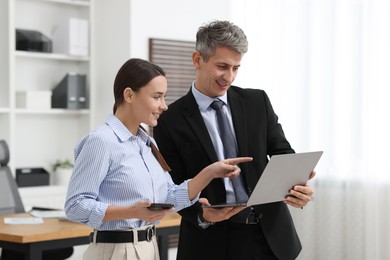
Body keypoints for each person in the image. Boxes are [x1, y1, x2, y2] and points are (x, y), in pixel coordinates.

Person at [153, 20, 316, 260]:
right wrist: (201, 214)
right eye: (222, 66)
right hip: (210, 243)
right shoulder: (169, 119)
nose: (229, 77)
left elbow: (282, 151)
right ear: (197, 59)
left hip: (270, 239)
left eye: (236, 68)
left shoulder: (257, 102)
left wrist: (297, 186)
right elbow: (172, 186)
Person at [64, 58, 252, 260]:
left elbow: (168, 196)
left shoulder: (147, 144)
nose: (164, 106)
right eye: (157, 97)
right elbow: (75, 206)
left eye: (164, 97)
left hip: (148, 247)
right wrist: (132, 212)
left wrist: (209, 173)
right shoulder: (101, 141)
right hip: (115, 251)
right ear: (129, 95)